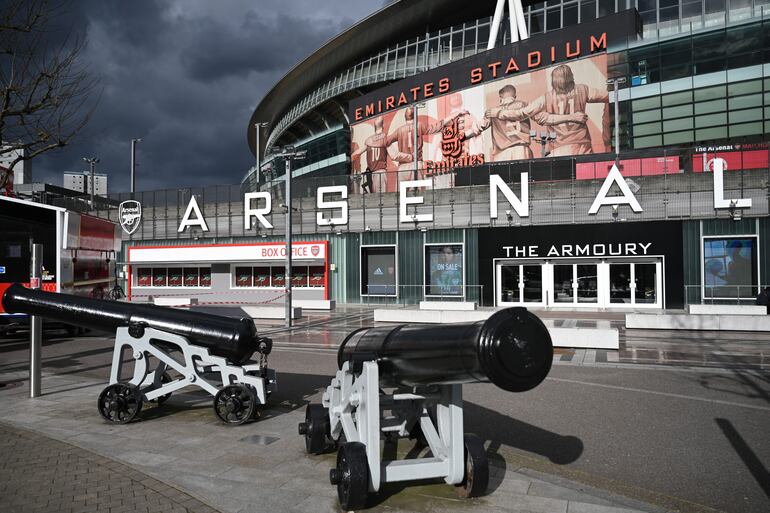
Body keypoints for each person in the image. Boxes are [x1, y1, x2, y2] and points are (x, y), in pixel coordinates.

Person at [500, 63, 610, 156]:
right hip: (582, 144)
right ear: (570, 76)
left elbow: (523, 112)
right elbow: (609, 96)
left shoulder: (546, 98)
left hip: (559, 147)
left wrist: (500, 112)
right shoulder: (583, 90)